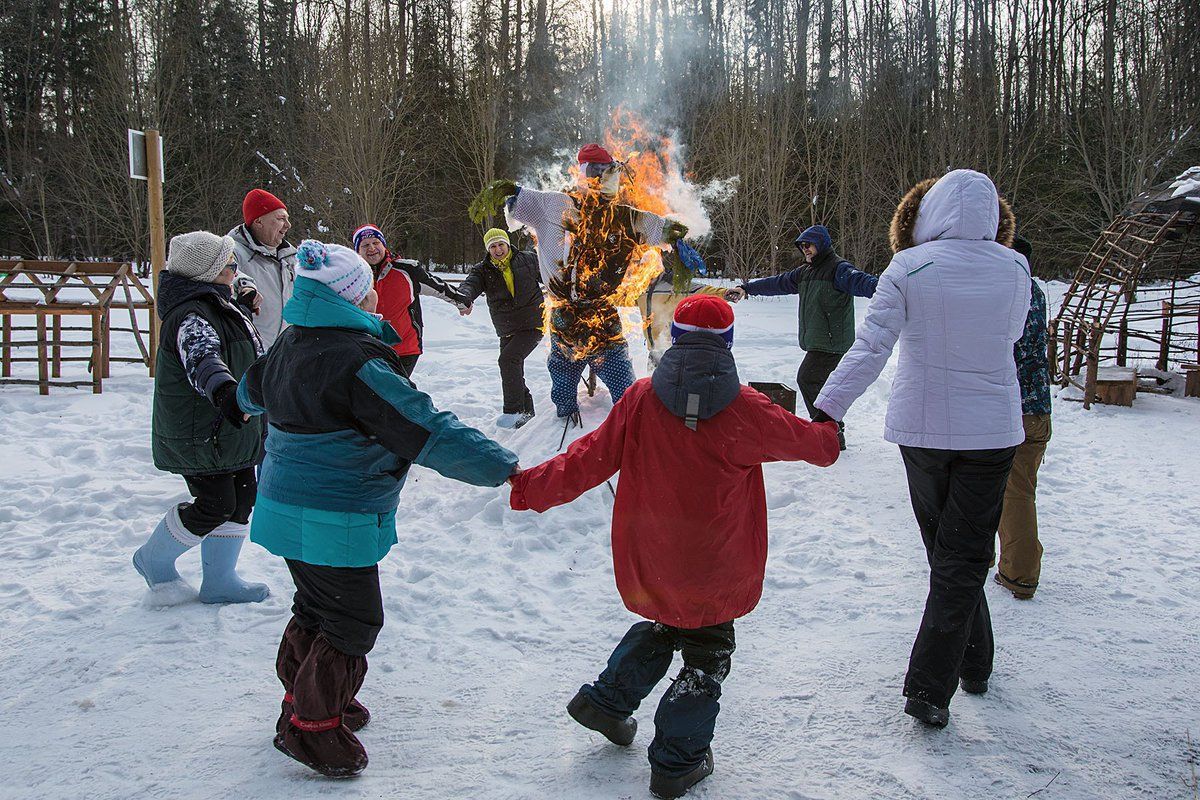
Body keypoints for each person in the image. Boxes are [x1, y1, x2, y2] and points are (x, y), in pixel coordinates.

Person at [508, 295, 840, 799]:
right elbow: (817, 447)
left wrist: (527, 485)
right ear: (727, 344)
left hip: (652, 555)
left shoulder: (641, 398)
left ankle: (607, 703)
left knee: (666, 622)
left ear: (677, 338)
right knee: (707, 651)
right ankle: (676, 764)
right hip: (716, 562)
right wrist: (830, 430)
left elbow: (585, 460)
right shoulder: (748, 407)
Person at [237, 239, 519, 778]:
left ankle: (311, 695)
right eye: (365, 291)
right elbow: (424, 428)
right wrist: (500, 466)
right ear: (347, 300)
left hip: (282, 506)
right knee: (352, 621)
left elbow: (249, 396)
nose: (373, 299)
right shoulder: (357, 363)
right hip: (334, 513)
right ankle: (311, 728)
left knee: (318, 606)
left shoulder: (289, 343)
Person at [812, 169, 1031, 728]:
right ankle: (976, 663)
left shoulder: (909, 267)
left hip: (923, 431)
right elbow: (1009, 336)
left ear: (925, 214)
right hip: (992, 433)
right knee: (959, 555)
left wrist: (828, 406)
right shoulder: (1015, 267)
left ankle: (930, 687)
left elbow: (873, 345)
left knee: (952, 554)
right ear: (994, 217)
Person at [468, 143, 689, 425]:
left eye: (607, 173)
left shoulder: (622, 215)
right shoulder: (555, 204)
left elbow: (655, 226)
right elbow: (519, 199)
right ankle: (565, 419)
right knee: (562, 374)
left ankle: (635, 423)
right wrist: (508, 191)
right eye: (595, 173)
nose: (602, 180)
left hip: (602, 315)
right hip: (565, 316)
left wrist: (675, 237)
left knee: (623, 381)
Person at [133, 231, 269, 605]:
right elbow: (203, 359)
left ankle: (220, 581)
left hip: (229, 427)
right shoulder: (190, 314)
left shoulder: (219, 303)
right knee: (216, 504)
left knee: (242, 499)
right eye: (230, 265)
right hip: (201, 430)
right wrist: (227, 394)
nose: (235, 271)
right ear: (208, 273)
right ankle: (153, 560)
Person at [725, 224, 877, 449]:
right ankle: (831, 430)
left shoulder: (838, 269)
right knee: (820, 384)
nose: (805, 249)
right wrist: (747, 288)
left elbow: (865, 283)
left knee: (808, 378)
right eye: (802, 246)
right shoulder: (805, 273)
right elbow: (777, 282)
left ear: (822, 244)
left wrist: (890, 286)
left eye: (809, 245)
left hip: (832, 340)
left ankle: (830, 432)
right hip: (819, 340)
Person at [995, 236, 1052, 599]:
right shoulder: (1035, 292)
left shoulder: (1008, 293)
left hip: (1011, 408)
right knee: (1017, 490)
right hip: (1037, 409)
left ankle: (1020, 573)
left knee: (1011, 494)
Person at [352, 223, 466, 377]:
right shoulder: (351, 276)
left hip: (405, 347)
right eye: (365, 245)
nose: (371, 248)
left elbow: (438, 287)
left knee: (391, 392)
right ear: (357, 251)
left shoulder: (407, 270)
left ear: (384, 245)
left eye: (375, 243)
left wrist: (461, 301)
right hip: (367, 348)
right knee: (376, 394)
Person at [458, 228, 545, 428]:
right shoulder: (483, 270)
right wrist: (464, 298)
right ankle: (527, 412)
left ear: (508, 244)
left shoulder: (528, 260)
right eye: (493, 247)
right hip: (507, 326)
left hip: (533, 322)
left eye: (500, 245)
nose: (498, 250)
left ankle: (514, 412)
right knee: (510, 366)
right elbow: (470, 285)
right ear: (488, 250)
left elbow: (550, 275)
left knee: (509, 360)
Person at [229, 188, 298, 349]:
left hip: (287, 353)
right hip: (253, 353)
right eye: (281, 219)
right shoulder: (231, 250)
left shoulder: (290, 257)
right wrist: (246, 287)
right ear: (258, 221)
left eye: (287, 219)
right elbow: (227, 273)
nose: (288, 225)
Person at [640, 242, 726, 368]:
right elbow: (621, 298)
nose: (643, 268)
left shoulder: (673, 284)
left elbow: (701, 290)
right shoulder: (639, 289)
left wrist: (725, 293)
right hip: (654, 352)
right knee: (652, 386)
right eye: (642, 265)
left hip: (672, 351)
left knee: (671, 385)